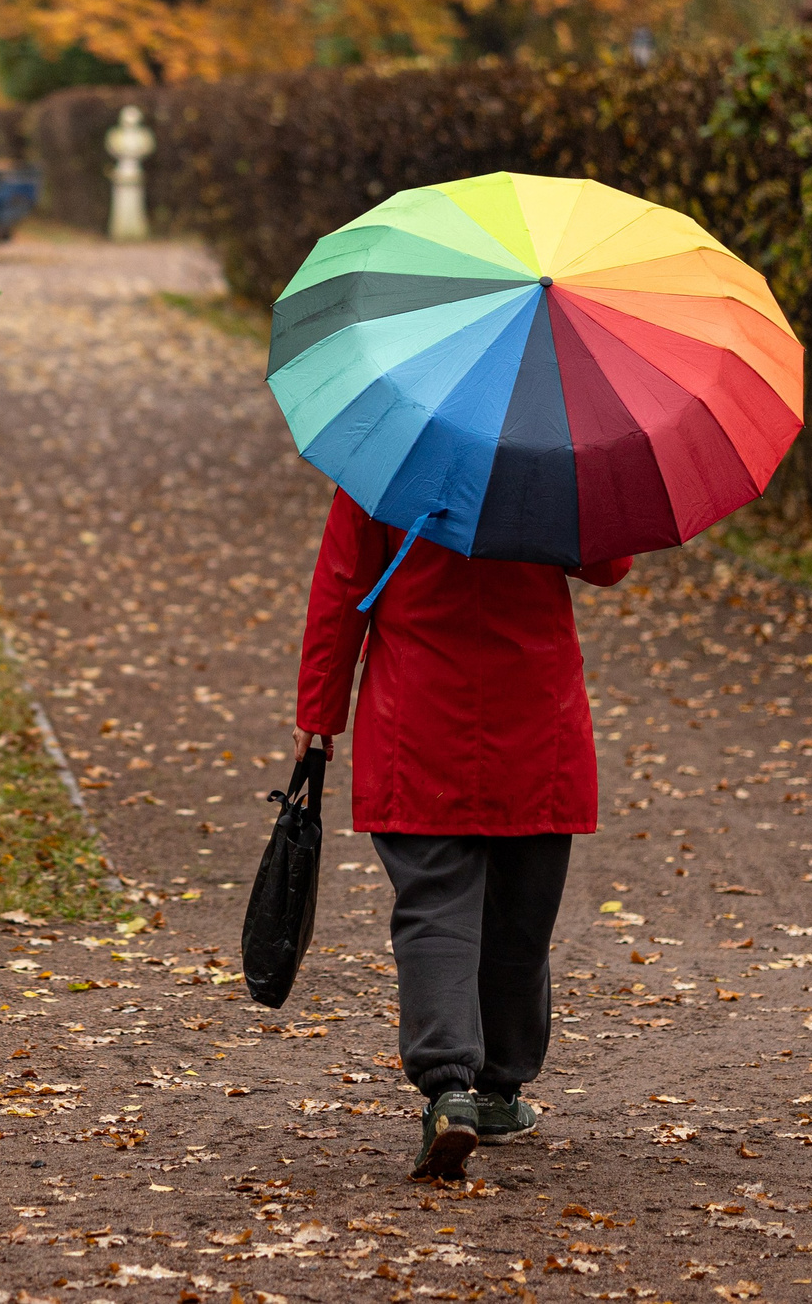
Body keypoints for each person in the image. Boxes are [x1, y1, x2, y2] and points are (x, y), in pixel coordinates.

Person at [292, 488, 631, 1183]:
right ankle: (499, 1091)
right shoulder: (552, 461)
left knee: (433, 908)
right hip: (534, 718)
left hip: (418, 715)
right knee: (519, 916)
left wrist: (319, 711)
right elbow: (609, 564)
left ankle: (449, 1090)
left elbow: (343, 585)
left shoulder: (388, 461)